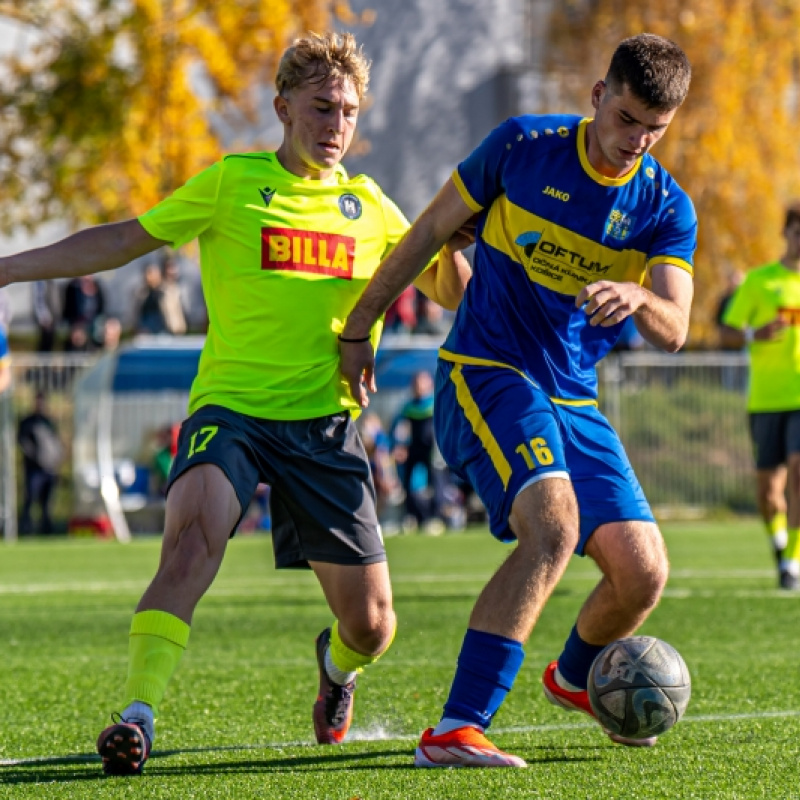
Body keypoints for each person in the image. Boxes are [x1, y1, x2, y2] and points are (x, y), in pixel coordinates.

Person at [0, 31, 471, 776]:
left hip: (325, 426)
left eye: (347, 111)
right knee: (191, 544)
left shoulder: (372, 207)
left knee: (373, 625)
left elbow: (451, 285)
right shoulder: (231, 183)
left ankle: (337, 670)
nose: (335, 125)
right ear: (282, 109)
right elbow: (124, 239)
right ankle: (137, 714)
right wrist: (6, 269)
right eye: (321, 108)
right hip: (232, 411)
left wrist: (468, 240)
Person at [340, 33, 695, 767]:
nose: (637, 142)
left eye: (654, 130)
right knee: (555, 527)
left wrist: (637, 295)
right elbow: (429, 232)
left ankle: (571, 677)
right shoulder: (522, 145)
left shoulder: (665, 206)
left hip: (575, 400)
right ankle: (455, 728)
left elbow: (677, 328)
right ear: (599, 97)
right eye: (628, 119)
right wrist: (360, 326)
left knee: (643, 573)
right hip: (487, 370)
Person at [719, 204, 800, 590]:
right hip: (766, 400)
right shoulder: (760, 281)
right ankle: (782, 547)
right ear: (787, 233)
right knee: (769, 494)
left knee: (798, 476)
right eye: (798, 231)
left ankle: (794, 563)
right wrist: (756, 335)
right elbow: (727, 332)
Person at [391, 369, 447, 534]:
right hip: (413, 449)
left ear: (429, 383)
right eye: (416, 382)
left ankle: (436, 519)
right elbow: (398, 427)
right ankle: (411, 518)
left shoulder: (436, 403)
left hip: (432, 450)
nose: (418, 386)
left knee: (437, 484)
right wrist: (399, 445)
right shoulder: (408, 407)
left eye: (422, 382)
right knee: (407, 483)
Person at [17, 390, 64, 535]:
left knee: (47, 503)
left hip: (50, 468)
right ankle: (25, 530)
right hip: (34, 469)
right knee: (30, 500)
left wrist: (56, 459)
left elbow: (56, 442)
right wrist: (37, 458)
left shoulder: (49, 422)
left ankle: (46, 531)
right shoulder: (27, 422)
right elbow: (23, 443)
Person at [63, 274, 105, 350]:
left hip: (93, 321)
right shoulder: (73, 287)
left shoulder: (97, 286)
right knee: (78, 334)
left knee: (98, 330)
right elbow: (68, 307)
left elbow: (101, 304)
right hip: (77, 322)